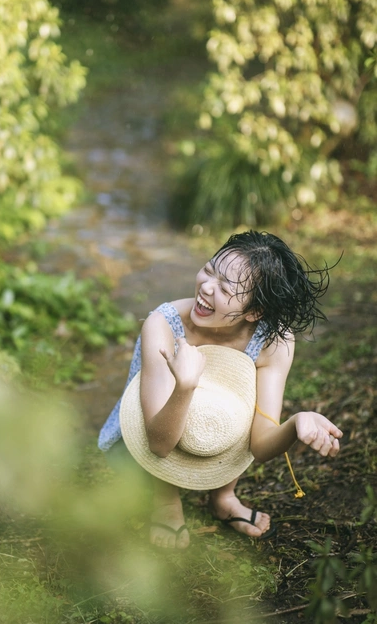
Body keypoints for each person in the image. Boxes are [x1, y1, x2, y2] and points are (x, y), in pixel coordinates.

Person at [98, 230, 343, 549]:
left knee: (234, 408)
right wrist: (185, 386)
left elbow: (260, 443)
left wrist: (296, 423)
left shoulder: (273, 342)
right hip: (153, 427)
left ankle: (224, 496)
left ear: (254, 312)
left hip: (214, 434)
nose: (206, 287)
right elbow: (157, 443)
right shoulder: (162, 325)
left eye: (226, 287)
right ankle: (166, 499)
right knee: (156, 439)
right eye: (209, 269)